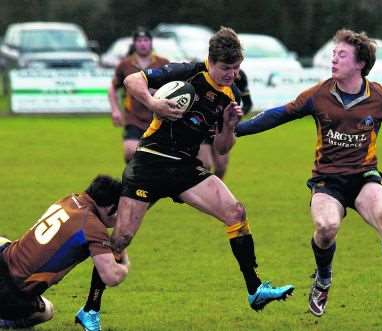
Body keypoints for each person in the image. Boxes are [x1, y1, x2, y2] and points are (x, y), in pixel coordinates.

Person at [77, 28, 294, 327]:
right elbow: (132, 80)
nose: (232, 73)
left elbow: (221, 147)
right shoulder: (189, 71)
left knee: (236, 212)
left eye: (236, 67)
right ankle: (90, 309)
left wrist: (230, 125)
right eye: (226, 68)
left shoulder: (228, 95)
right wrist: (153, 104)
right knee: (122, 238)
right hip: (150, 162)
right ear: (211, 61)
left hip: (185, 167)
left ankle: (255, 289)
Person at [235, 29, 382, 318]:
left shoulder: (380, 97)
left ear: (360, 63)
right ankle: (323, 279)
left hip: (365, 177)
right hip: (327, 181)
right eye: (333, 54)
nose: (334, 60)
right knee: (326, 229)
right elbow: (279, 114)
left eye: (341, 55)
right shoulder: (319, 95)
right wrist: (236, 129)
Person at [0, 175, 129, 330]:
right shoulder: (92, 226)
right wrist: (125, 263)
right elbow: (111, 276)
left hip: (4, 258)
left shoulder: (69, 199)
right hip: (9, 292)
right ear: (110, 208)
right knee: (46, 311)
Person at [109, 26, 170, 163]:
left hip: (159, 118)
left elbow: (175, 86)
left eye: (146, 40)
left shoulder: (163, 63)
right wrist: (115, 110)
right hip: (134, 118)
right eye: (139, 40)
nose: (143, 43)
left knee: (158, 157)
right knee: (130, 153)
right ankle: (134, 181)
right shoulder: (125, 65)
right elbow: (112, 88)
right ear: (134, 43)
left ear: (151, 42)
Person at [197, 69, 253, 179]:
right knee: (205, 165)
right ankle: (201, 192)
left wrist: (235, 117)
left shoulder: (240, 77)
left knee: (221, 166)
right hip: (203, 126)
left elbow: (248, 104)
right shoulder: (205, 73)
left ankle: (215, 194)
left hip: (222, 127)